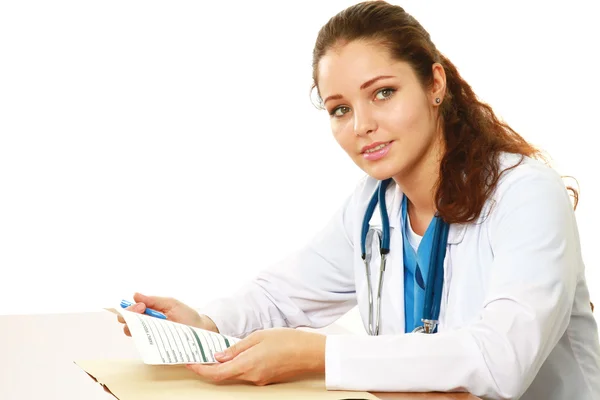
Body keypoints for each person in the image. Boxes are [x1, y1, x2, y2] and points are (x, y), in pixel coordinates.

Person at [117, 1, 600, 399]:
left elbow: (502, 361)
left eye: (384, 93)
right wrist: (205, 324)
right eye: (340, 109)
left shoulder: (525, 195)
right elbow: (280, 295)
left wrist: (319, 356)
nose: (361, 125)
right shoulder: (374, 205)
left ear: (435, 84)